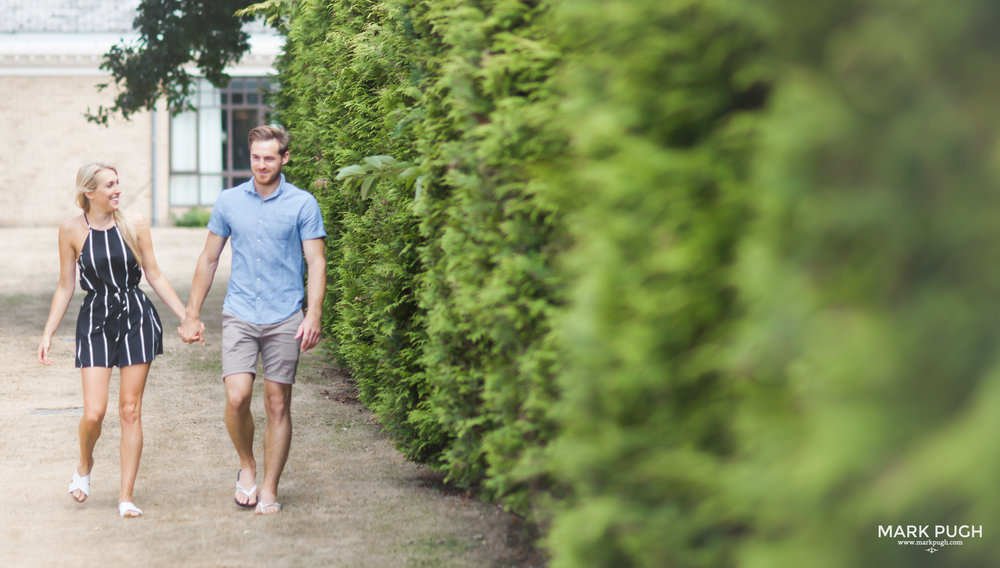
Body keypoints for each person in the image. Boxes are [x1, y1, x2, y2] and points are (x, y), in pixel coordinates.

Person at [178, 125, 326, 515]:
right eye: (256, 157)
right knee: (237, 396)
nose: (262, 164)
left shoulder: (303, 203)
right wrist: (191, 314)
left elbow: (316, 261)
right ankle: (247, 464)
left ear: (284, 158)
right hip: (241, 313)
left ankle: (270, 488)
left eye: (270, 157)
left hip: (284, 316)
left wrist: (313, 314)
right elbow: (208, 259)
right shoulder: (229, 201)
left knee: (278, 404)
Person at [38, 162, 194, 518]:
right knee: (94, 413)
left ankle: (126, 497)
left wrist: (187, 316)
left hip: (136, 315)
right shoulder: (71, 230)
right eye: (109, 185)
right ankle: (84, 464)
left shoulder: (134, 224)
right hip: (94, 319)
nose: (117, 190)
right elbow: (65, 286)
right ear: (89, 192)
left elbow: (153, 273)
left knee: (129, 410)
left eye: (118, 183)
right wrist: (48, 332)